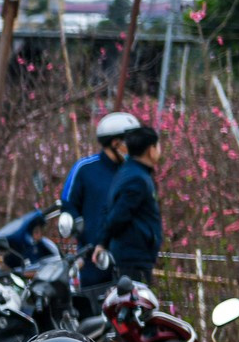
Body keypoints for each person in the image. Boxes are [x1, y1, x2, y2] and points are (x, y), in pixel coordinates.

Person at [61, 112, 137, 287]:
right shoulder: (85, 169)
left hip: (129, 261)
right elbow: (68, 206)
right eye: (130, 142)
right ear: (115, 143)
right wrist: (83, 234)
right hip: (94, 261)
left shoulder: (134, 173)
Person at [98, 124, 163, 285]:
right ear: (151, 149)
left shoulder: (128, 172)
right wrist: (102, 242)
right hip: (133, 258)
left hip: (131, 256)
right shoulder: (138, 179)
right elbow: (118, 215)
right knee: (135, 305)